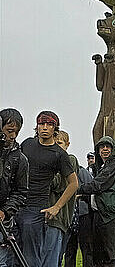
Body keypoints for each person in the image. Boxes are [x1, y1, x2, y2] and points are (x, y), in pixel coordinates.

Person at [16, 111, 78, 267]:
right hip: (16, 204)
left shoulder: (59, 154)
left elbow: (74, 183)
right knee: (12, 254)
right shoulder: (27, 144)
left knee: (31, 258)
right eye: (41, 124)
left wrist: (57, 207)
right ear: (36, 126)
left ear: (55, 128)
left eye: (49, 124)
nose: (44, 127)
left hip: (37, 208)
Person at [78, 136, 115, 267]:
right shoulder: (101, 167)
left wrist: (76, 190)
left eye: (108, 146)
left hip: (112, 215)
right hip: (99, 214)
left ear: (113, 149)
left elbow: (99, 185)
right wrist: (83, 196)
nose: (105, 149)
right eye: (102, 147)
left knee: (111, 256)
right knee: (98, 256)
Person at [42, 130, 79, 267]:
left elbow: (56, 183)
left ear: (67, 145)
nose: (56, 147)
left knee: (51, 259)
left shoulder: (70, 160)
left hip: (58, 218)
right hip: (45, 215)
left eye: (59, 143)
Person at [0, 108, 28, 267]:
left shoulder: (20, 159)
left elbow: (21, 192)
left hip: (3, 221)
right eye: (9, 131)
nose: (13, 136)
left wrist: (5, 211)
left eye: (16, 132)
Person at [63, 154, 94, 267]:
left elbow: (90, 191)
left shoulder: (82, 173)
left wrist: (79, 196)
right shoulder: (82, 173)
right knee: (74, 248)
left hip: (81, 214)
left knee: (82, 248)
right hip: (75, 214)